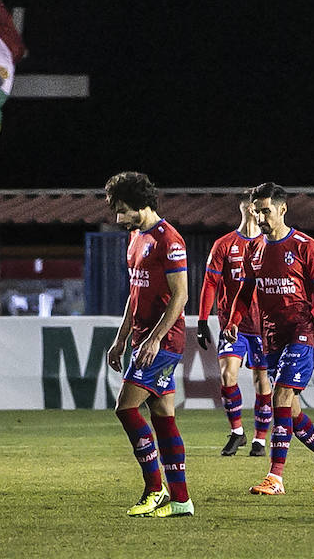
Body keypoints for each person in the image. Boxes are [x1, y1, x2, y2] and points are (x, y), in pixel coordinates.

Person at [225, 182, 314, 496]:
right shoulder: (255, 248)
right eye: (257, 212)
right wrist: (234, 321)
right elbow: (244, 292)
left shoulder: (306, 247)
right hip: (271, 336)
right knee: (290, 410)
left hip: (302, 333)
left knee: (279, 397)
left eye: (266, 211)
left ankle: (275, 477)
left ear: (282, 209)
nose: (261, 218)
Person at [103, 171, 194, 518]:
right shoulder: (136, 238)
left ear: (141, 205)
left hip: (164, 339)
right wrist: (120, 339)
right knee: (162, 416)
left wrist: (154, 339)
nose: (118, 218)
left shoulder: (169, 240)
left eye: (123, 210)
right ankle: (181, 500)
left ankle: (155, 489)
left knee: (126, 409)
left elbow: (181, 296)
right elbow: (135, 293)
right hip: (143, 338)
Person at [197, 200, 274, 457]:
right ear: (243, 208)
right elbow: (210, 282)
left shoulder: (269, 245)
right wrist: (202, 320)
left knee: (262, 381)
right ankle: (238, 432)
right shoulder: (225, 244)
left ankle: (260, 440)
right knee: (227, 376)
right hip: (233, 325)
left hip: (263, 325)